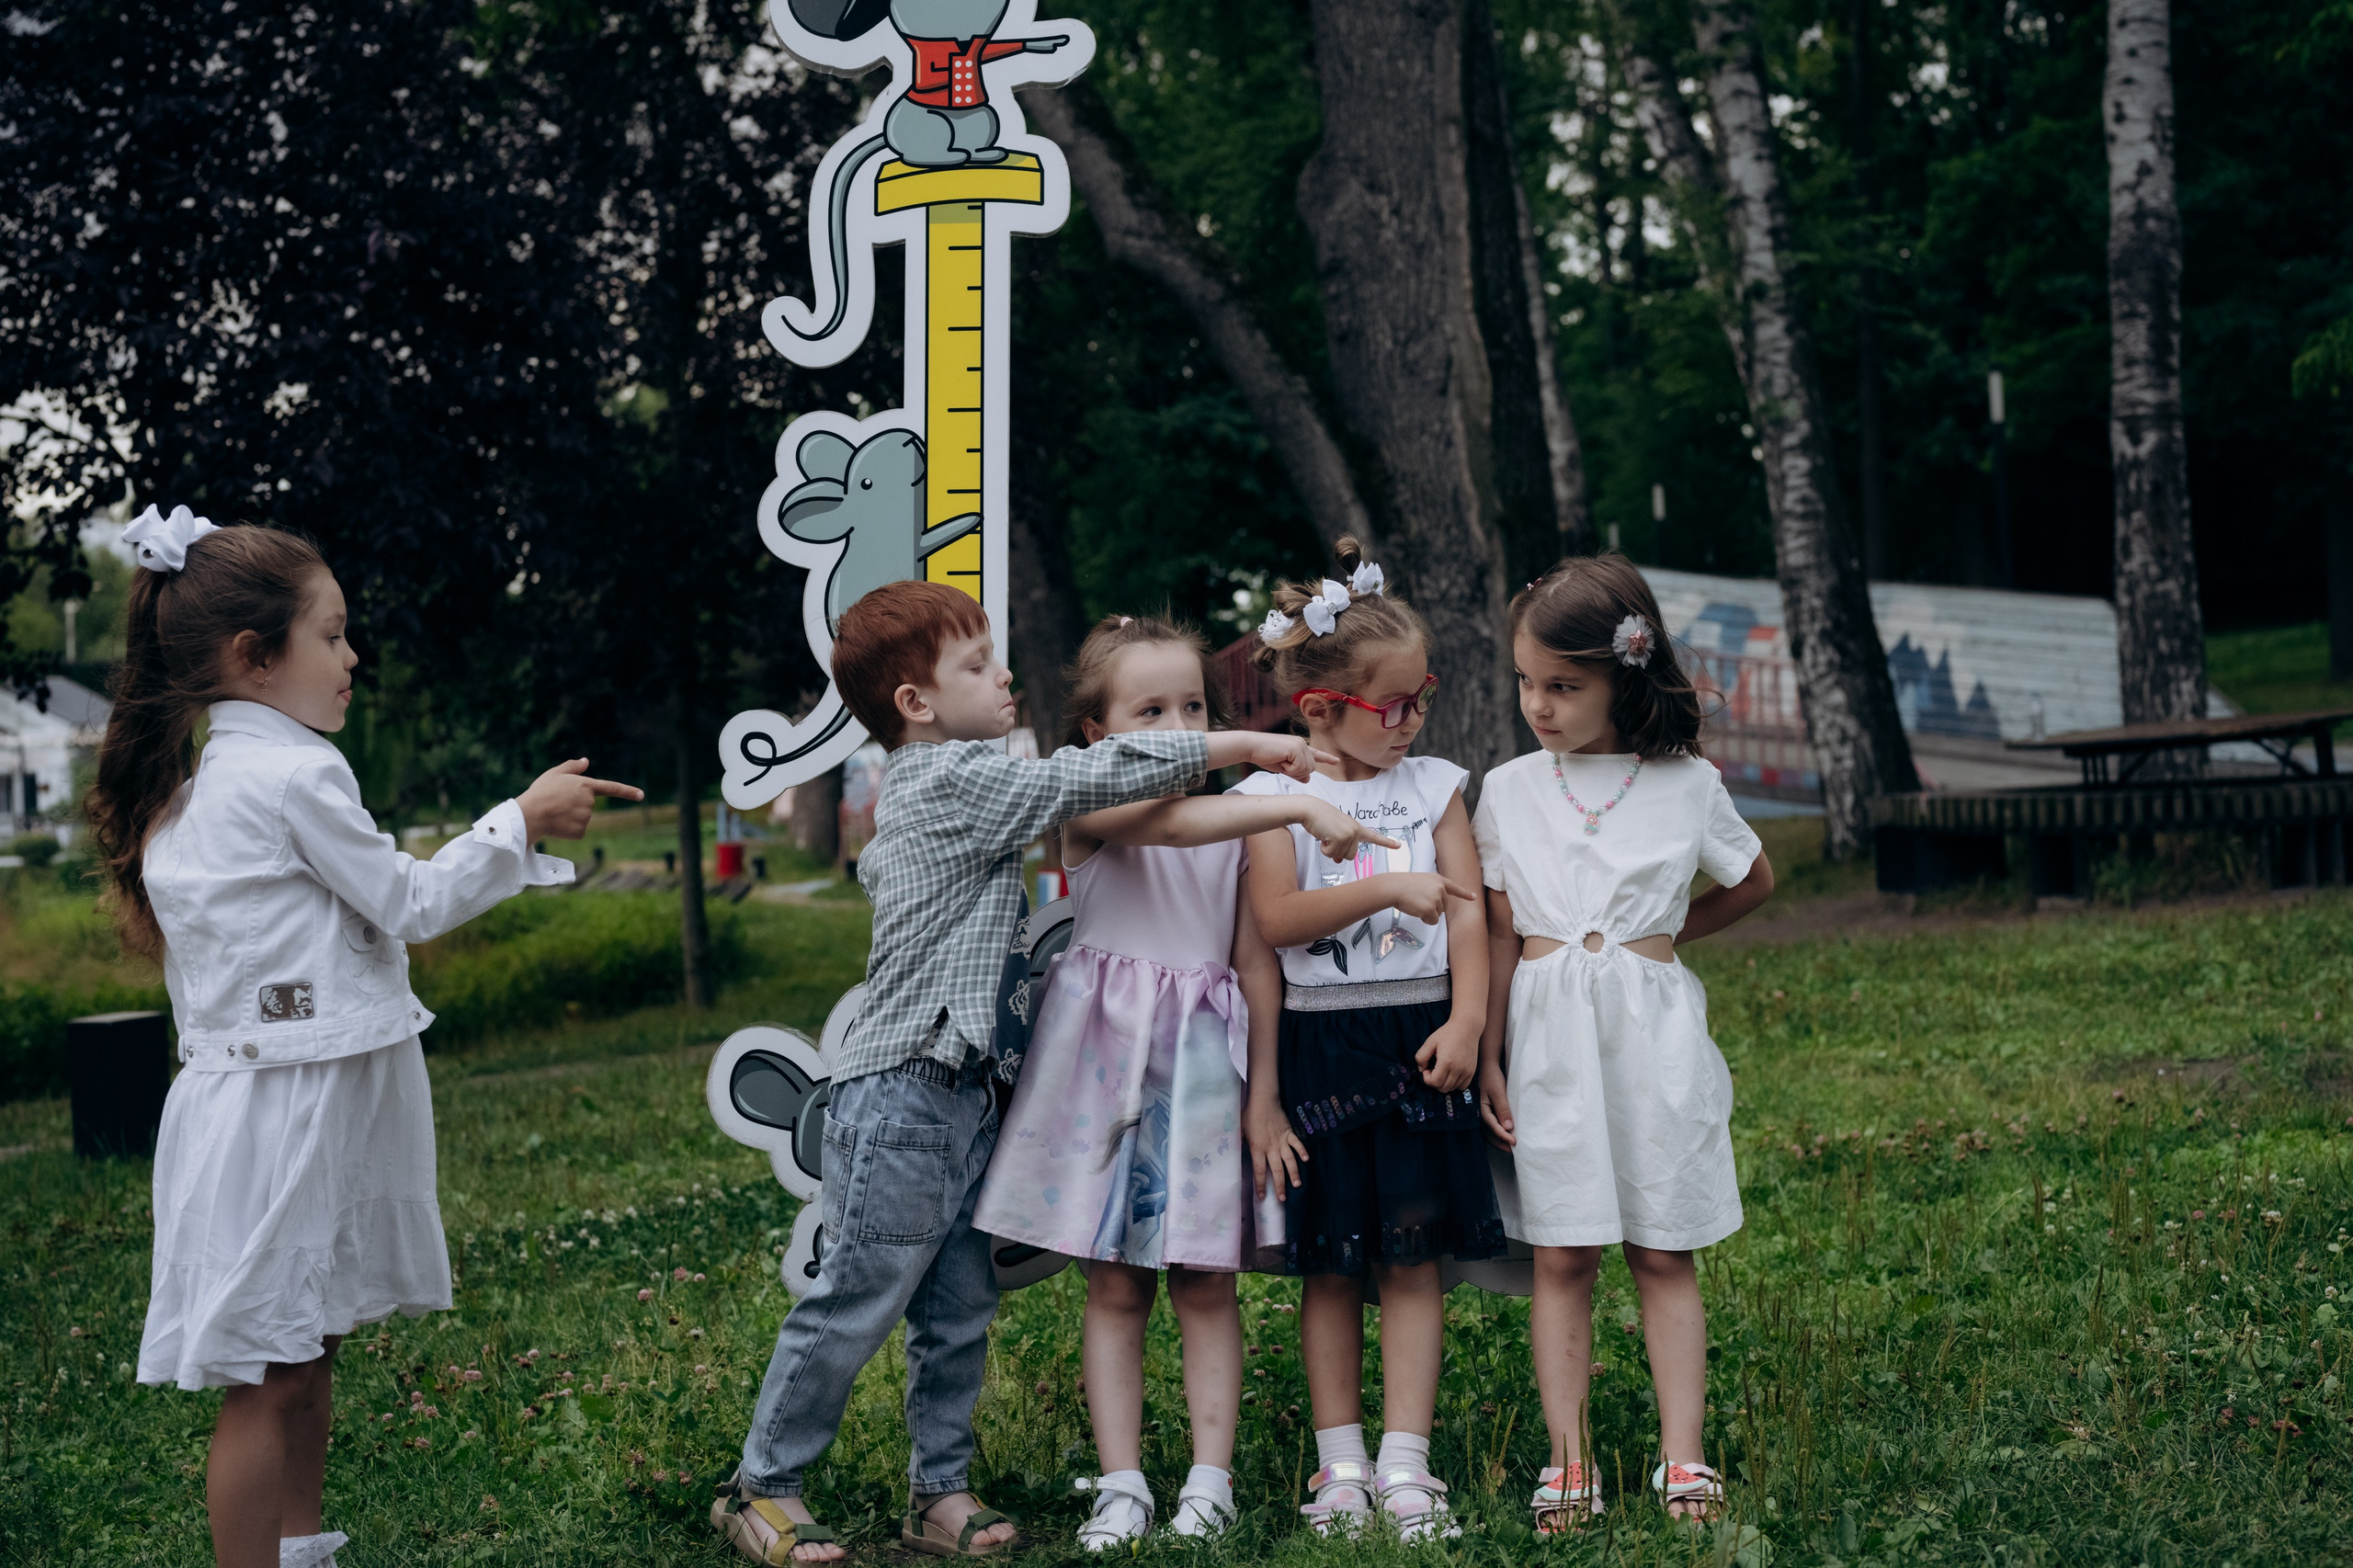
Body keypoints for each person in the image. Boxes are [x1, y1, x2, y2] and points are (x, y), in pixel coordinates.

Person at [715, 581, 1339, 1565]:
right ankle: (763, 1484)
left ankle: (938, 1487)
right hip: (902, 1085)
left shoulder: (967, 775)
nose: (1003, 674)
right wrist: (1252, 747)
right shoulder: (949, 780)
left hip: (966, 1090)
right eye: (975, 664)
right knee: (858, 1295)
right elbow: (1100, 780)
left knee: (957, 1305)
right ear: (916, 703)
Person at [89, 506, 642, 1568]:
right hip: (288, 1100)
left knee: (304, 1340)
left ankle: (302, 1547)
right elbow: (409, 900)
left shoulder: (199, 786)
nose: (352, 656)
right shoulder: (290, 774)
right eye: (332, 634)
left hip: (277, 1094)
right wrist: (517, 817)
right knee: (272, 1365)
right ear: (256, 657)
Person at [971, 614, 1395, 1551]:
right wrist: (1289, 799)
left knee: (1207, 1283)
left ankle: (1211, 1478)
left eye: (1193, 706)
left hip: (1205, 1066)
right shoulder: (1090, 814)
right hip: (1102, 1067)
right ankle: (1119, 1483)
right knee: (1114, 1286)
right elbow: (1165, 815)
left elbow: (1255, 964)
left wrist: (1264, 1094)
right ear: (1096, 736)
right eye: (1150, 710)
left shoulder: (1236, 825)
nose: (1177, 727)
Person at [1471, 555, 1774, 1532]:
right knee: (1563, 1252)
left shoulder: (1685, 783)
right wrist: (1485, 1054)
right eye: (1526, 682)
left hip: (1652, 1037)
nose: (1539, 704)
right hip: (1548, 1037)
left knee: (1661, 1244)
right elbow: (1495, 928)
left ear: (1625, 674)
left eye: (1563, 684)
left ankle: (1684, 1456)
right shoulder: (1509, 790)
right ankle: (1570, 1460)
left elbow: (1754, 878)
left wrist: (1666, 936)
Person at [1230, 540, 1499, 1544]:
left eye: (1420, 696)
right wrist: (1385, 884)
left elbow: (1467, 910)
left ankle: (1406, 1464)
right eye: (1394, 706)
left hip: (1424, 1032)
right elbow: (1275, 921)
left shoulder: (1435, 785)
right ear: (1319, 709)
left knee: (1414, 1259)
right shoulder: (1271, 799)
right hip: (1326, 1048)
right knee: (1334, 1263)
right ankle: (1338, 1464)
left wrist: (1468, 1017)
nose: (1414, 721)